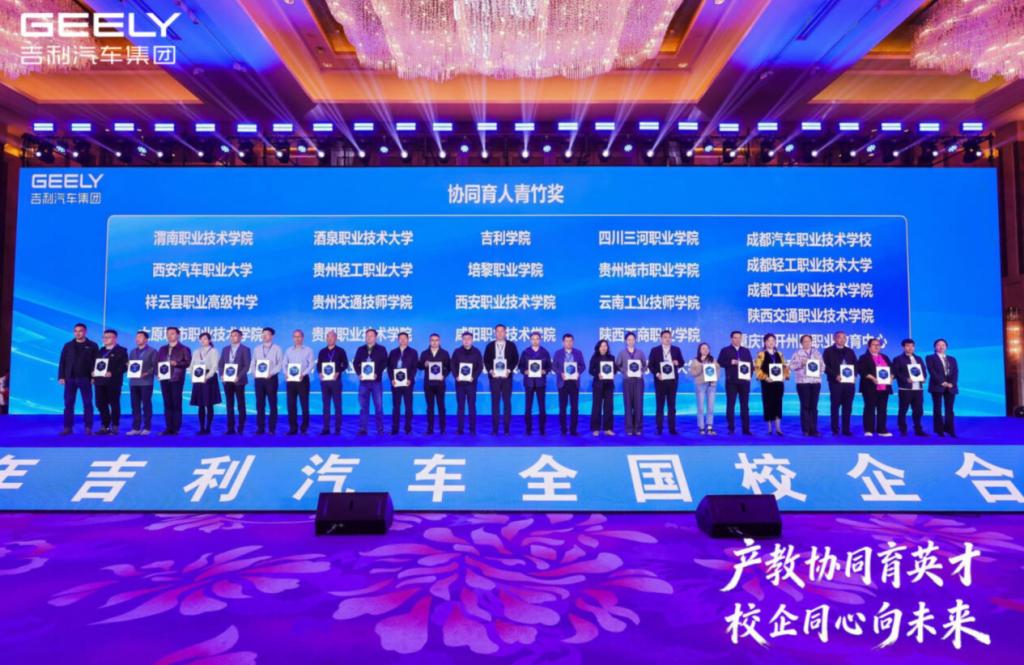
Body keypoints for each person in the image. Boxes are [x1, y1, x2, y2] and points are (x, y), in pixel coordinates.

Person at [58, 322, 98, 435]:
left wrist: (94, 376)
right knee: (68, 403)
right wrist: (61, 376)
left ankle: (88, 427)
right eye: (76, 331)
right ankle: (67, 427)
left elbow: (96, 363)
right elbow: (62, 362)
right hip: (70, 378)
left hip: (85, 378)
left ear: (85, 332)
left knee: (87, 403)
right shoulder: (68, 345)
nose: (78, 333)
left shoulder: (92, 345)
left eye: (80, 331)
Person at [483, 324, 519, 435]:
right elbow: (486, 360)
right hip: (494, 378)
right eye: (497, 331)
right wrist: (490, 371)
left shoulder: (511, 345)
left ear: (505, 332)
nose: (499, 333)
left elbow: (515, 359)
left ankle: (507, 429)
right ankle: (495, 429)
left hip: (507, 378)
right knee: (495, 403)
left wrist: (509, 370)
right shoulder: (490, 346)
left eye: (502, 331)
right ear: (495, 333)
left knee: (507, 403)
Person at [717, 330, 753, 435]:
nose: (737, 340)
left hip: (744, 382)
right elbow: (720, 362)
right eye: (735, 338)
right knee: (730, 405)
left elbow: (751, 365)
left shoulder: (746, 351)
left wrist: (749, 377)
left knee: (745, 406)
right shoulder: (725, 350)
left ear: (741, 339)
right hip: (731, 382)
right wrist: (730, 362)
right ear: (731, 339)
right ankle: (731, 428)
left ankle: (746, 429)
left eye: (739, 338)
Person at [353, 328, 388, 436]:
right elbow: (355, 363)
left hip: (376, 382)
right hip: (363, 383)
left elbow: (384, 363)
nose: (369, 337)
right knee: (363, 408)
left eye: (371, 335)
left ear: (375, 337)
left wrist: (377, 373)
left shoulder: (381, 349)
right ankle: (363, 429)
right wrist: (359, 373)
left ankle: (380, 429)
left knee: (379, 407)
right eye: (367, 335)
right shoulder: (361, 349)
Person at [822, 331, 858, 436]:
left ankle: (846, 429)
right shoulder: (828, 351)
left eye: (844, 338)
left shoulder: (850, 351)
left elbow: (856, 365)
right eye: (839, 337)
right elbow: (825, 367)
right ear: (834, 339)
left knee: (848, 407)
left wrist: (854, 375)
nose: (842, 339)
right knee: (835, 406)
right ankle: (835, 429)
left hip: (849, 384)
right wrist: (835, 376)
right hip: (835, 383)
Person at [891, 338, 929, 437]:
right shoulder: (898, 359)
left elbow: (923, 371)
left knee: (918, 410)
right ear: (903, 347)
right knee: (903, 410)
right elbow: (896, 373)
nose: (910, 348)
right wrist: (906, 379)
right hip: (905, 389)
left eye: (912, 346)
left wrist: (924, 378)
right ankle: (902, 429)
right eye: (908, 346)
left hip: (918, 389)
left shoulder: (919, 358)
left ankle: (918, 429)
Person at [157, 326, 191, 436]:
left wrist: (177, 363)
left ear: (178, 335)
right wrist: (157, 373)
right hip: (164, 379)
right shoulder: (162, 349)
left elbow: (188, 362)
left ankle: (176, 427)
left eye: (172, 333)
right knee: (167, 403)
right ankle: (169, 427)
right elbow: (157, 363)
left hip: (177, 378)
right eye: (167, 333)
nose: (169, 335)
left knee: (176, 403)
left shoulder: (184, 348)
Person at [93, 329, 128, 435]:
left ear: (115, 338)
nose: (105, 339)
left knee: (114, 404)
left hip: (113, 382)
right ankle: (105, 425)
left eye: (108, 337)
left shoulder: (122, 350)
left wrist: (112, 373)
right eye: (104, 337)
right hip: (99, 381)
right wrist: (93, 373)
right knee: (100, 403)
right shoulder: (100, 350)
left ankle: (115, 425)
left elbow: (124, 367)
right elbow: (96, 365)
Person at [650, 330, 684, 435]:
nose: (667, 339)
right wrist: (657, 374)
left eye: (669, 337)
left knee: (672, 407)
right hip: (660, 382)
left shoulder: (676, 349)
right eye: (665, 337)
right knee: (660, 406)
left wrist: (677, 363)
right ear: (661, 339)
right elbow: (651, 365)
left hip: (672, 382)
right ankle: (659, 428)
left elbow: (682, 362)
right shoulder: (655, 350)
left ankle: (672, 429)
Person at [857, 338, 893, 437]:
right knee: (869, 408)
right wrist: (872, 378)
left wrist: (891, 377)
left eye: (878, 345)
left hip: (884, 387)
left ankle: (882, 429)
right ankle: (869, 429)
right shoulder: (863, 357)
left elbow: (892, 369)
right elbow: (861, 370)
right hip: (870, 387)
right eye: (874, 344)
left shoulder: (885, 357)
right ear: (869, 346)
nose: (877, 346)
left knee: (883, 409)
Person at [754, 333, 790, 435]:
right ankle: (769, 428)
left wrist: (784, 376)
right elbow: (757, 368)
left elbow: (785, 367)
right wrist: (765, 377)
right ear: (765, 342)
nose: (771, 342)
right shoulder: (761, 354)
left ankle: (778, 428)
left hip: (778, 384)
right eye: (769, 340)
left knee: (778, 403)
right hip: (767, 383)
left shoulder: (780, 354)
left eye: (773, 340)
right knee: (768, 403)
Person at [250, 327, 283, 435]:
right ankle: (260, 428)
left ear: (272, 336)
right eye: (263, 334)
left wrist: (271, 373)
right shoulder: (257, 348)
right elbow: (253, 363)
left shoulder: (277, 348)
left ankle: (272, 428)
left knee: (272, 404)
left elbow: (280, 364)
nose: (264, 336)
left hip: (271, 379)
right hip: (259, 380)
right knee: (260, 404)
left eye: (267, 334)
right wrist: (254, 373)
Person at [789, 334, 823, 437]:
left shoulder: (817, 353)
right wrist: (801, 363)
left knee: (814, 406)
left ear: (811, 342)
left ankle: (814, 429)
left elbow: (823, 366)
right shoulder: (797, 354)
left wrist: (818, 371)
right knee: (805, 406)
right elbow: (791, 366)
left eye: (809, 341)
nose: (807, 343)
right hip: (803, 383)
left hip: (815, 382)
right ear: (801, 343)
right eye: (805, 341)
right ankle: (806, 430)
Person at [518, 331, 551, 435]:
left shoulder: (545, 352)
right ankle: (528, 429)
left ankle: (542, 429)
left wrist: (545, 371)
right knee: (528, 406)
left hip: (541, 382)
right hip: (529, 382)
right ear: (530, 340)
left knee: (542, 406)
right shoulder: (525, 352)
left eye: (537, 338)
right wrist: (525, 371)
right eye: (533, 339)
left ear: (540, 340)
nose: (535, 340)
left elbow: (549, 366)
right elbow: (520, 366)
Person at [219, 329, 251, 435]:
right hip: (227, 381)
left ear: (241, 337)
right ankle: (230, 428)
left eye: (236, 335)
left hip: (239, 381)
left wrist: (238, 376)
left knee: (241, 404)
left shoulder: (245, 349)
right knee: (229, 405)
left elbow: (246, 366)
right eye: (232, 335)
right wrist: (222, 375)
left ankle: (241, 427)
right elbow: (221, 364)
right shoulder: (225, 349)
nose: (233, 337)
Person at [317, 330, 349, 435]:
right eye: (328, 337)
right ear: (326, 338)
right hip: (325, 382)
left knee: (337, 406)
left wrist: (338, 372)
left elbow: (346, 364)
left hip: (336, 382)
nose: (330, 339)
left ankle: (338, 428)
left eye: (332, 337)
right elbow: (319, 365)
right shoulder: (322, 351)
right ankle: (326, 428)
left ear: (336, 338)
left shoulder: (341, 351)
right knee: (326, 406)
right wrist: (320, 373)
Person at [188, 332, 221, 434]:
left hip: (209, 379)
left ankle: (208, 428)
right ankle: (201, 428)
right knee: (200, 404)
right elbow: (191, 366)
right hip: (198, 377)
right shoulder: (196, 351)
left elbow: (215, 366)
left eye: (205, 339)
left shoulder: (214, 351)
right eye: (201, 339)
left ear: (209, 340)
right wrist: (193, 377)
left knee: (209, 404)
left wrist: (206, 377)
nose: (203, 340)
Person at [553, 333, 586, 435]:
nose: (568, 343)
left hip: (574, 383)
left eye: (570, 341)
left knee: (574, 408)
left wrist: (578, 373)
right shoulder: (558, 353)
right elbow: (554, 366)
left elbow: (583, 366)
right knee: (562, 407)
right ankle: (563, 429)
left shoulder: (578, 353)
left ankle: (573, 430)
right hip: (562, 383)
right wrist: (560, 373)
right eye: (566, 341)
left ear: (573, 342)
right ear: (563, 342)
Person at [284, 329, 315, 435]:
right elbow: (284, 364)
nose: (297, 339)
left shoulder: (308, 350)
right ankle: (293, 428)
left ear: (303, 338)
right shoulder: (288, 350)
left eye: (299, 336)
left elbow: (311, 364)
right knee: (291, 405)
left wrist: (304, 373)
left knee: (304, 405)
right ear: (293, 338)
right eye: (295, 337)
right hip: (291, 380)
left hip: (303, 380)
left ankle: (304, 428)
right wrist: (286, 373)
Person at [451, 331, 483, 434]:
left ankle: (472, 429)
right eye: (464, 339)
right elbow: (452, 365)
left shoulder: (477, 352)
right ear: (462, 340)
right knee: (460, 407)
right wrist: (456, 376)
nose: (466, 341)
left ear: (472, 340)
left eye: (469, 339)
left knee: (472, 406)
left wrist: (474, 377)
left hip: (471, 384)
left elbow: (480, 367)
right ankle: (460, 429)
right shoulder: (457, 352)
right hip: (460, 384)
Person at [126, 330, 157, 436]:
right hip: (134, 382)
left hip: (146, 382)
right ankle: (136, 427)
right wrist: (128, 366)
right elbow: (131, 365)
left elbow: (155, 367)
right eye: (136, 337)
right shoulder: (132, 351)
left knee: (146, 405)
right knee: (135, 405)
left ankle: (147, 427)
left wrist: (146, 373)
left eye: (140, 337)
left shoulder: (152, 351)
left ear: (146, 339)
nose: (137, 339)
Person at [615, 332, 647, 436]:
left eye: (633, 339)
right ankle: (629, 428)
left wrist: (641, 371)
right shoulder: (622, 353)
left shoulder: (640, 353)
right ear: (626, 341)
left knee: (639, 405)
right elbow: (617, 365)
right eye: (629, 339)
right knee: (628, 405)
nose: (631, 341)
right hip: (627, 381)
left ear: (635, 340)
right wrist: (624, 371)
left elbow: (645, 365)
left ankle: (638, 428)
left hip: (638, 381)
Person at [419, 333, 450, 434]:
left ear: (439, 341)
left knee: (441, 407)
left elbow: (449, 367)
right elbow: (419, 366)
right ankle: (430, 429)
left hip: (440, 384)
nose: (434, 342)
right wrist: (424, 364)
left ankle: (442, 429)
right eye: (432, 340)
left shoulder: (444, 353)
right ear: (429, 341)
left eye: (436, 340)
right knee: (430, 407)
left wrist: (444, 375)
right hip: (428, 384)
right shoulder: (424, 353)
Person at [926, 338, 958, 437]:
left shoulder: (952, 359)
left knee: (950, 409)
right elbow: (932, 372)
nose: (941, 347)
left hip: (951, 387)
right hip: (937, 386)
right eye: (939, 345)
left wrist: (952, 383)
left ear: (946, 347)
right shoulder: (930, 357)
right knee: (937, 408)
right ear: (935, 347)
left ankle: (949, 429)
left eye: (943, 345)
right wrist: (942, 382)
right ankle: (939, 429)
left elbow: (955, 372)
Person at [387, 332, 418, 435]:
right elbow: (389, 368)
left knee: (408, 407)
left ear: (408, 339)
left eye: (405, 338)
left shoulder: (413, 352)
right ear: (398, 340)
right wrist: (392, 379)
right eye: (400, 338)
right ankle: (395, 428)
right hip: (396, 384)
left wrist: (410, 379)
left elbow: (414, 368)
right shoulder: (393, 352)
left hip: (408, 384)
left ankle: (408, 428)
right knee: (396, 407)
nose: (403, 340)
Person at [688, 342, 719, 435]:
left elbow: (718, 371)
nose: (705, 350)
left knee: (710, 407)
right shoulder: (695, 361)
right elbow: (692, 373)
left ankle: (709, 427)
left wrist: (714, 379)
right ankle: (701, 427)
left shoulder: (713, 360)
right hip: (700, 385)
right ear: (700, 350)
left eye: (707, 348)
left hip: (711, 385)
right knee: (701, 407)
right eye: (703, 348)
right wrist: (701, 367)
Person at [588, 339, 616, 437]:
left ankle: (608, 429)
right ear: (598, 347)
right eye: (602, 346)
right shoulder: (594, 357)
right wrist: (597, 374)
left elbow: (615, 370)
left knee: (609, 407)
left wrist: (613, 373)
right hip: (598, 385)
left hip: (609, 385)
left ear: (607, 348)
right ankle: (596, 429)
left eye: (605, 346)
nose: (603, 348)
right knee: (596, 407)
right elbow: (590, 370)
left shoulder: (611, 357)